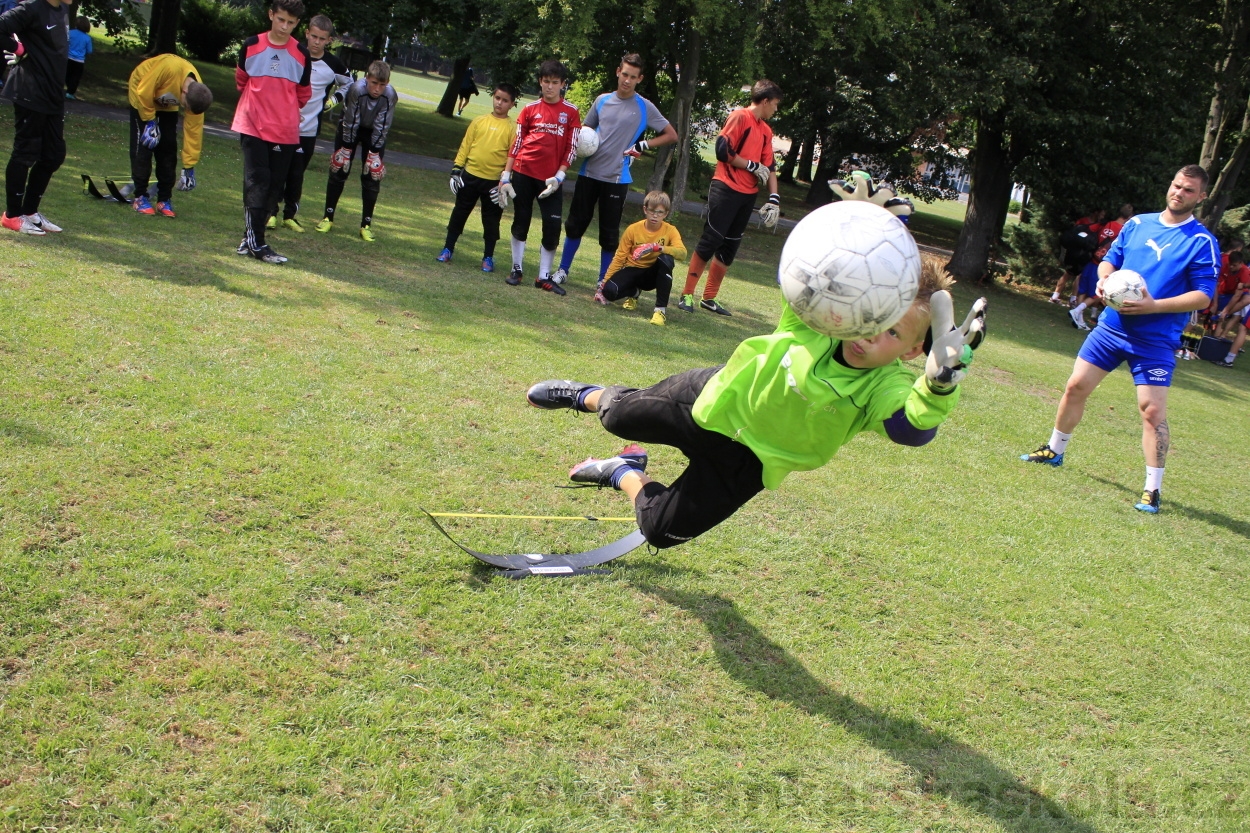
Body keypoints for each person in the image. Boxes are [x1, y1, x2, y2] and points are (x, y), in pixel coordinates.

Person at [525, 257, 986, 548]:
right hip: (710, 404)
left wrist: (939, 386)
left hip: (748, 466)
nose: (870, 332)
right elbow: (810, 272)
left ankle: (623, 471)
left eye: (891, 331)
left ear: (912, 353)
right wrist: (861, 230)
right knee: (618, 415)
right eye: (875, 314)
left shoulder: (885, 387)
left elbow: (910, 429)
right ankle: (586, 394)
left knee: (660, 532)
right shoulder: (817, 321)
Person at [1020, 165, 1220, 514]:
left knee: (1152, 412)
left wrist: (1153, 305)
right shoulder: (1138, 224)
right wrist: (1103, 281)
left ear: (1200, 197)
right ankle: (1054, 450)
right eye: (1176, 185)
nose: (1179, 193)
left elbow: (1204, 296)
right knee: (1075, 387)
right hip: (1111, 330)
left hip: (1156, 339)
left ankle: (1152, 490)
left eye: (1189, 190)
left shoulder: (1201, 241)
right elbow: (1109, 262)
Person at [550, 53, 678, 290]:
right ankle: (562, 270)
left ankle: (603, 279)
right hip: (589, 174)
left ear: (640, 78)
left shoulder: (644, 107)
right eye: (624, 74)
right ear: (618, 72)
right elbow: (586, 131)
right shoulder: (602, 100)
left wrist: (644, 145)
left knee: (609, 234)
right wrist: (583, 142)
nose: (627, 80)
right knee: (575, 225)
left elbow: (671, 135)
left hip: (616, 180)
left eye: (633, 77)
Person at [678, 79, 783, 317]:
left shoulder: (766, 130)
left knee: (730, 246)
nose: (775, 110)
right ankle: (686, 294)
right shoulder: (739, 117)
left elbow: (770, 167)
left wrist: (774, 197)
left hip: (748, 195)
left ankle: (709, 299)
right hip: (725, 187)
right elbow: (722, 151)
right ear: (765, 101)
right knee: (711, 240)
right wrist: (750, 165)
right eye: (775, 104)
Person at [231, 0, 311, 264]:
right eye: (280, 20)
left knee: (274, 187)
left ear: (297, 24)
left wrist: (282, 109)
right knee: (258, 180)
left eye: (290, 23)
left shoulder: (301, 53)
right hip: (252, 124)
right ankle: (257, 243)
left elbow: (303, 94)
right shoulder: (251, 45)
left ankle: (250, 238)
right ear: (271, 15)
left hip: (285, 130)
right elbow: (242, 81)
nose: (284, 27)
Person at [496, 59, 580, 295]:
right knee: (521, 220)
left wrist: (560, 176)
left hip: (551, 180)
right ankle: (516, 269)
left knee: (552, 225)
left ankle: (543, 277)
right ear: (540, 82)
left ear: (563, 84)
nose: (550, 87)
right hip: (523, 172)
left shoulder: (571, 112)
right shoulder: (529, 109)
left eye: (555, 82)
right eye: (546, 82)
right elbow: (518, 143)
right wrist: (506, 175)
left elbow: (571, 149)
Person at [268, 14, 348, 233]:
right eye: (313, 36)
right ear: (306, 34)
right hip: (283, 126)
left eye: (322, 39)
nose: (317, 42)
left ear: (329, 40)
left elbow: (348, 84)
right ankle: (270, 213)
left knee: (296, 173)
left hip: (309, 130)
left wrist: (333, 101)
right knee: (278, 171)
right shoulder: (292, 53)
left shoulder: (333, 64)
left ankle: (290, 216)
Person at [0, 0, 69, 236]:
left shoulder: (62, 9)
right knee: (25, 152)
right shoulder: (31, 8)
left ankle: (29, 211)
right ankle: (12, 215)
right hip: (30, 91)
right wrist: (18, 49)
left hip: (53, 95)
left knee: (53, 154)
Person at [437, 82, 519, 271]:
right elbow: (465, 145)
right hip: (470, 176)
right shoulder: (479, 121)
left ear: (512, 104)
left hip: (493, 183)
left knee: (491, 221)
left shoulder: (513, 128)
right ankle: (447, 249)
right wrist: (456, 169)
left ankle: (488, 257)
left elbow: (513, 155)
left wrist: (504, 181)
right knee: (459, 213)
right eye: (497, 98)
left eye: (505, 100)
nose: (499, 103)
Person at [313, 60, 397, 242]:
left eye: (382, 84)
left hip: (373, 132)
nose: (377, 89)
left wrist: (374, 152)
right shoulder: (357, 90)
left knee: (372, 174)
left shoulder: (390, 95)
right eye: (374, 83)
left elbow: (383, 125)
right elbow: (351, 121)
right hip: (350, 127)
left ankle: (366, 224)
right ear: (367, 78)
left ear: (387, 83)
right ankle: (328, 217)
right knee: (340, 168)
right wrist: (345, 148)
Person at [126, 53, 213, 218]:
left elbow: (193, 131)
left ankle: (164, 199)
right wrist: (150, 122)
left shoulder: (197, 93)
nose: (185, 109)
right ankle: (140, 197)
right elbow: (144, 92)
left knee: (168, 146)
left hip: (167, 100)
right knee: (145, 145)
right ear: (185, 92)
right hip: (142, 92)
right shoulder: (169, 69)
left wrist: (189, 166)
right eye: (185, 106)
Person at [597, 190, 685, 325]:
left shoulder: (670, 230)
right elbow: (619, 258)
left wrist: (658, 247)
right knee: (608, 292)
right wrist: (603, 284)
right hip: (633, 269)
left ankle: (660, 311)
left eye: (660, 212)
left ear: (666, 214)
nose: (655, 215)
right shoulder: (633, 229)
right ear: (645, 209)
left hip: (653, 274)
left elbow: (682, 254)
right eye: (652, 210)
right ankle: (634, 293)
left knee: (666, 259)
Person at [1070, 204, 1132, 329]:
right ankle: (1076, 311)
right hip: (1103, 265)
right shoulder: (1124, 230)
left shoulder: (1107, 224)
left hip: (1091, 261)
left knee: (1083, 291)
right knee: (1097, 294)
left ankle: (1080, 320)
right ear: (1128, 217)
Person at [1051, 209, 1105, 305]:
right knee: (1068, 273)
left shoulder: (1098, 225)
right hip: (1075, 252)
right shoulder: (1083, 221)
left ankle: (1072, 298)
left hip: (1084, 253)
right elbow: (1075, 235)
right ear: (1095, 212)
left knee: (1078, 276)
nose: (1102, 217)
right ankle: (1056, 295)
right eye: (1101, 215)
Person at [1211, 249, 1249, 338]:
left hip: (1235, 294)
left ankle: (1223, 315)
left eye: (1234, 265)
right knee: (1218, 318)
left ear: (1240, 263)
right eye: (1230, 264)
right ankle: (1214, 339)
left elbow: (1237, 295)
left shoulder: (1245, 272)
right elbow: (1216, 285)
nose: (1231, 267)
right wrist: (1215, 303)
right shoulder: (1225, 266)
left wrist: (1226, 311)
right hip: (1224, 293)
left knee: (1247, 299)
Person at [63, 15, 88, 99]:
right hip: (79, 61)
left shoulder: (70, 32)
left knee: (66, 74)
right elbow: (89, 50)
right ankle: (70, 92)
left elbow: (65, 43)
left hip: (68, 57)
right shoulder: (87, 38)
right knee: (76, 77)